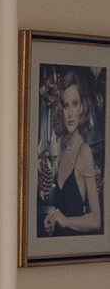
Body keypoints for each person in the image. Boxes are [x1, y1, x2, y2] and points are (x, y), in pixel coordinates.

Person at [43, 71, 102, 237]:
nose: (69, 113)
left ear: (82, 107)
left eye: (74, 104)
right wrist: (52, 219)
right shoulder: (62, 151)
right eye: (65, 105)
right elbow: (63, 211)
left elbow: (96, 221)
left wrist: (65, 221)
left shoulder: (85, 152)